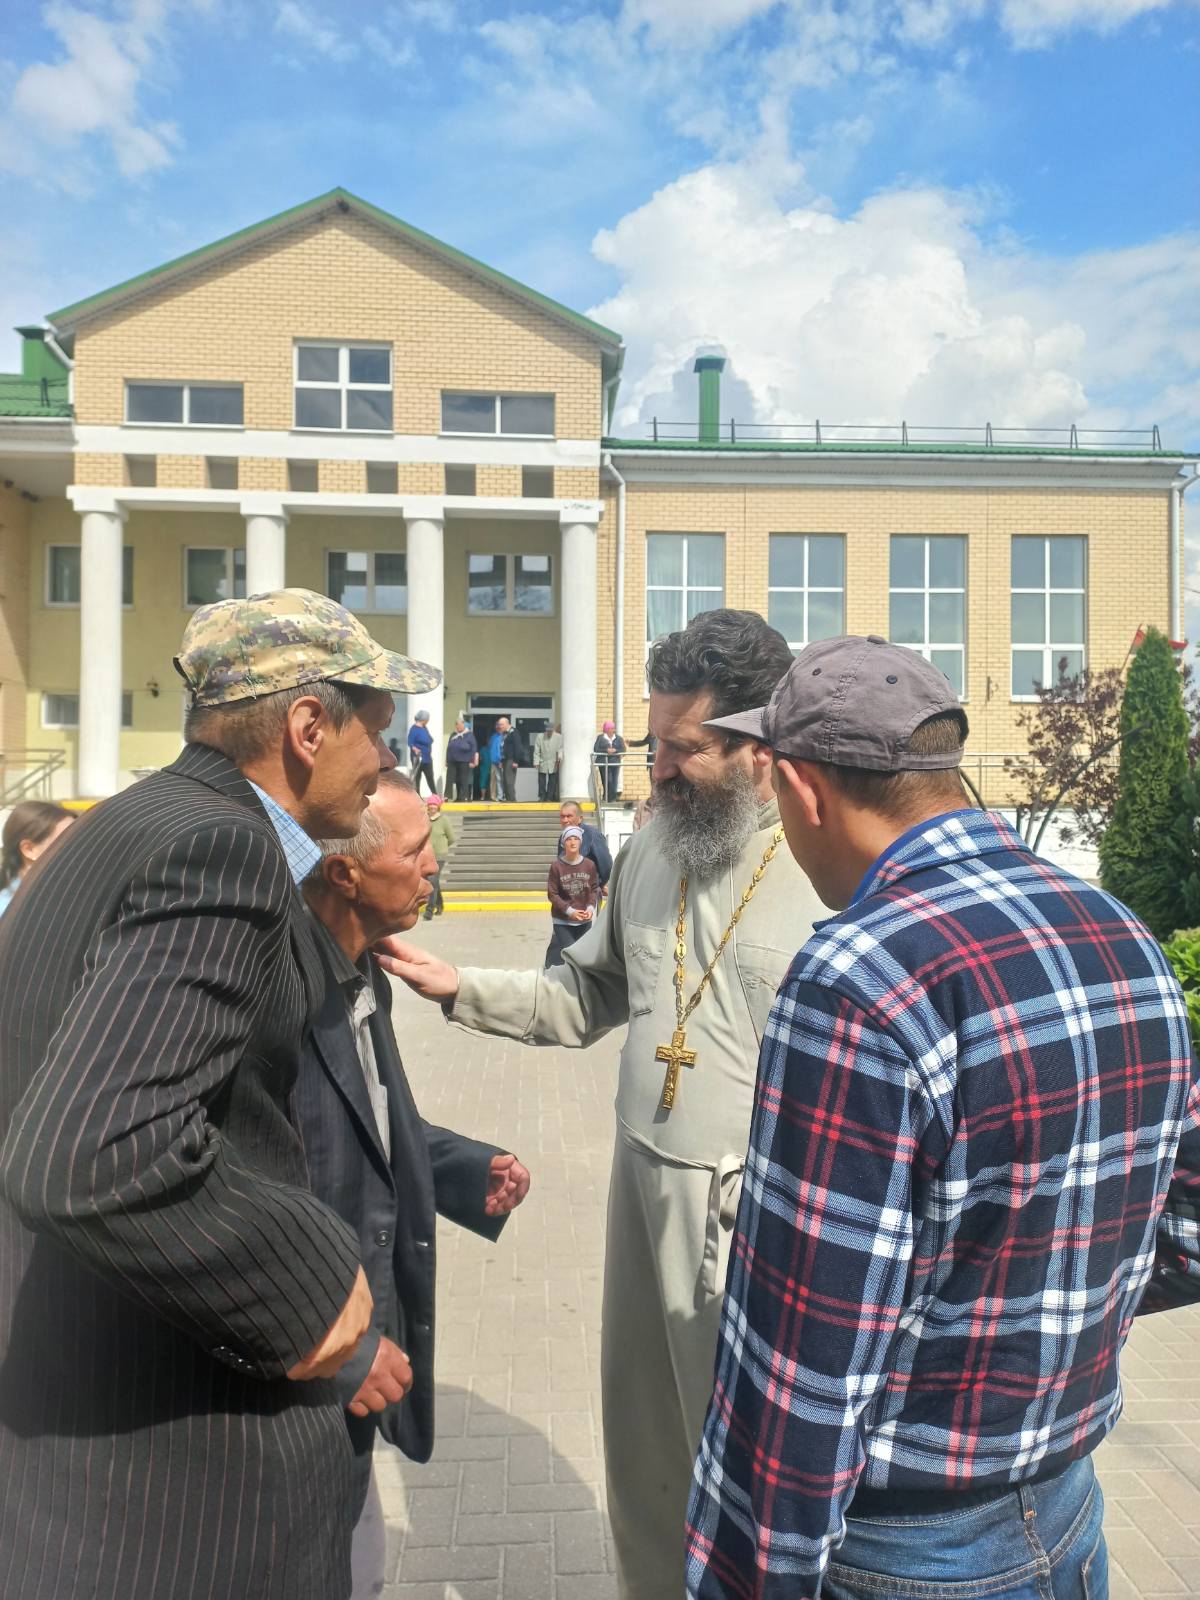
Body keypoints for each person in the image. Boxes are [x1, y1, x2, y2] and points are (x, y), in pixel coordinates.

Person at [685, 635, 1195, 1600]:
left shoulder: (855, 978)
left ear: (801, 791)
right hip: (1071, 1513)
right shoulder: (1121, 931)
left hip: (908, 1554)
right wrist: (1043, 1309)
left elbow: (805, 1365)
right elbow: (1190, 1225)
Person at [0, 587, 442, 1600]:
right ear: (307, 727)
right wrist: (314, 1289)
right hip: (177, 1493)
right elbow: (96, 1150)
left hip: (82, 1439)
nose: (384, 761)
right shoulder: (223, 846)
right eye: (376, 732)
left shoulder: (125, 823)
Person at [378, 609, 826, 1600]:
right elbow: (586, 995)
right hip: (637, 1183)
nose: (655, 769)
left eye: (684, 748)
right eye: (651, 741)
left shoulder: (828, 865)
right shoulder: (653, 848)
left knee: (752, 1476)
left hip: (751, 1215)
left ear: (761, 748)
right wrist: (460, 987)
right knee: (646, 1462)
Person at [298, 771, 530, 1599]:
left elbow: (366, 1126)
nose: (435, 867)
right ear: (345, 874)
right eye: (417, 849)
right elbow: (255, 1192)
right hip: (303, 1365)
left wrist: (463, 1172)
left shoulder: (366, 971)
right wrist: (337, 1353)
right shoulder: (282, 996)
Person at [0, 799, 74, 916]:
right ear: (29, 849)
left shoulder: (70, 895)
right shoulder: (7, 911)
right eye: (65, 842)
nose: (77, 848)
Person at [546, 824, 599, 968]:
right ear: (564, 843)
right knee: (571, 954)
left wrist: (590, 908)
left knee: (582, 956)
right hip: (563, 921)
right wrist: (570, 911)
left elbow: (594, 889)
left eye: (576, 838)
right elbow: (552, 894)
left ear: (581, 842)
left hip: (584, 920)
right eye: (569, 839)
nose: (573, 842)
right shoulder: (556, 866)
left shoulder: (589, 865)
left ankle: (578, 986)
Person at [558, 799, 612, 893]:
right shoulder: (563, 838)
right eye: (562, 816)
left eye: (569, 816)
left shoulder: (592, 836)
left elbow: (606, 865)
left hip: (588, 894)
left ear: (580, 818)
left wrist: (598, 884)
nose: (565, 820)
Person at [423, 793, 454, 919]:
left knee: (432, 881)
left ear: (438, 806)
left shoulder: (444, 820)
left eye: (434, 804)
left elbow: (451, 838)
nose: (432, 807)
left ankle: (429, 911)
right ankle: (440, 904)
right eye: (430, 804)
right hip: (427, 856)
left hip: (440, 855)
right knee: (434, 881)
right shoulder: (424, 819)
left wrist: (443, 848)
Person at [445, 716, 478, 802]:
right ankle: (447, 796)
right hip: (452, 760)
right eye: (457, 725)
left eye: (460, 725)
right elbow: (448, 748)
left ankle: (463, 797)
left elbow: (473, 748)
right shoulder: (453, 734)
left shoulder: (469, 735)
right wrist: (447, 760)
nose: (458, 727)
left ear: (463, 725)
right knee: (450, 779)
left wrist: (472, 760)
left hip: (464, 760)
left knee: (463, 779)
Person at [593, 720, 626, 802]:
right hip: (603, 763)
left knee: (614, 780)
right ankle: (607, 797)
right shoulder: (600, 738)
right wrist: (606, 750)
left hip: (615, 762)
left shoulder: (618, 738)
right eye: (610, 728)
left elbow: (623, 749)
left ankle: (612, 798)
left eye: (613, 728)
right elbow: (596, 749)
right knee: (607, 780)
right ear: (606, 729)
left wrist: (616, 750)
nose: (612, 730)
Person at [407, 708, 436, 794]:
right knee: (417, 778)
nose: (428, 720)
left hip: (427, 758)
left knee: (430, 777)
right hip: (418, 758)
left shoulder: (425, 728)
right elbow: (410, 742)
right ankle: (417, 796)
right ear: (423, 719)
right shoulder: (414, 729)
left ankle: (435, 795)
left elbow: (429, 739)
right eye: (427, 719)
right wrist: (415, 749)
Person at [535, 722, 564, 802]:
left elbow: (560, 748)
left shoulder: (559, 737)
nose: (549, 732)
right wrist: (536, 762)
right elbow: (537, 750)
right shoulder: (540, 736)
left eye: (550, 730)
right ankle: (542, 796)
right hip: (543, 761)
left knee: (552, 781)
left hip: (553, 761)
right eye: (547, 730)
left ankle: (549, 797)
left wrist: (560, 757)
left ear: (553, 729)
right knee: (541, 781)